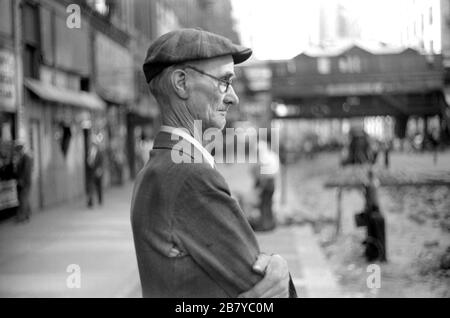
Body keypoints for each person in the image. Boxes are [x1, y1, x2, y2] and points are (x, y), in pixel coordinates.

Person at [131, 28, 296, 298]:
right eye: (224, 81)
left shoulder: (156, 168)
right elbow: (266, 293)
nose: (233, 96)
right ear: (181, 83)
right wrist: (280, 270)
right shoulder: (191, 176)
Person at [250, 140, 280, 232]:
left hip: (266, 183)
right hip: (271, 182)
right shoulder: (273, 156)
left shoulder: (263, 158)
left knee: (264, 204)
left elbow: (260, 174)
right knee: (269, 203)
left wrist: (259, 186)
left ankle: (265, 224)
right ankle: (270, 224)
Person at [13, 141, 33, 223]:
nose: (17, 152)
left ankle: (23, 217)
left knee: (23, 199)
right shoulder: (20, 158)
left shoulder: (26, 158)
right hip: (22, 182)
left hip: (25, 182)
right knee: (24, 199)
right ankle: (27, 215)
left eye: (18, 150)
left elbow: (26, 171)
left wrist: (22, 180)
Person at [86, 140, 104, 207]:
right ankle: (90, 201)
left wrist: (100, 170)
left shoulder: (99, 152)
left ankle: (100, 200)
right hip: (91, 172)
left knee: (99, 187)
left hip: (97, 172)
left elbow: (101, 162)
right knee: (91, 187)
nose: (92, 146)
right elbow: (88, 161)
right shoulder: (89, 152)